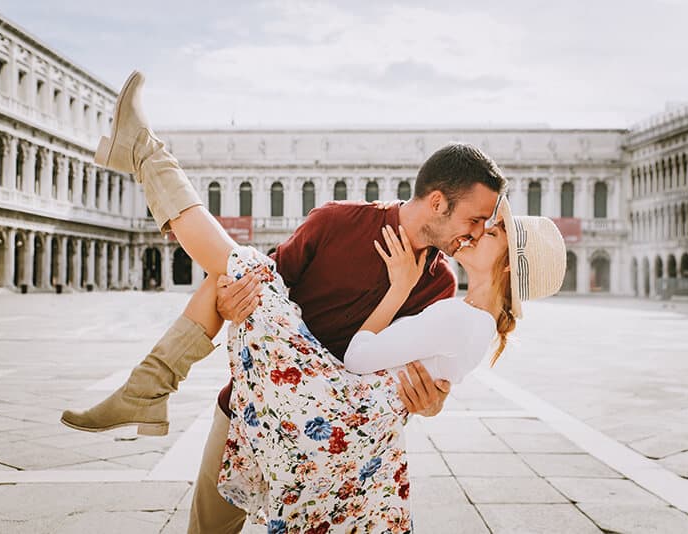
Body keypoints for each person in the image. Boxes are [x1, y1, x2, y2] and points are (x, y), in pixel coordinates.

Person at [57, 71, 534, 532]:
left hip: (319, 436)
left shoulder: (439, 287)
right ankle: (148, 387)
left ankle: (148, 385)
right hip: (251, 410)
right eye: (474, 219)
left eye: (485, 228)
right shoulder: (335, 223)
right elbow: (251, 291)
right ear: (437, 202)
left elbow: (403, 376)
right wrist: (229, 300)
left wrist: (431, 401)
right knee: (208, 530)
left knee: (237, 262)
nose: (475, 233)